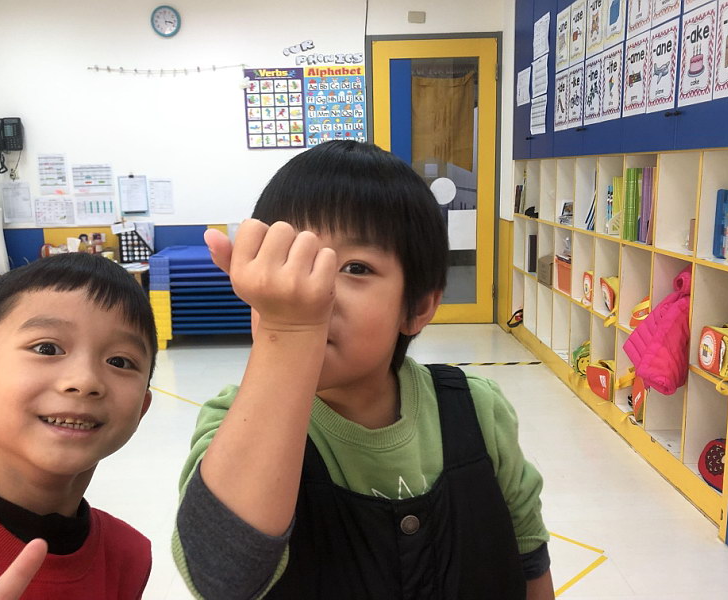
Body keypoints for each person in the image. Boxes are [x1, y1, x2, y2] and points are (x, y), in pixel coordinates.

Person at [173, 141, 554, 599]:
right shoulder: (231, 422)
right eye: (293, 261)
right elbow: (222, 577)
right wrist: (288, 331)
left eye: (355, 267)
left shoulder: (477, 410)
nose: (313, 291)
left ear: (417, 307)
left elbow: (528, 555)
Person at [0, 252, 158, 599]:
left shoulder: (128, 554)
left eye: (119, 361)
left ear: (141, 409)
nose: (85, 381)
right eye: (47, 348)